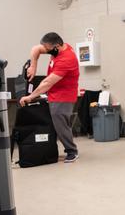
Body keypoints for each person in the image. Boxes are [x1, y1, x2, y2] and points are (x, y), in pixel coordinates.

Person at [20, 32, 80, 163]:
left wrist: (30, 97)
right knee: (55, 124)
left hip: (63, 96)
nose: (45, 51)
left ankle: (72, 151)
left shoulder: (67, 59)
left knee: (61, 125)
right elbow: (35, 49)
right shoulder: (58, 49)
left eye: (47, 49)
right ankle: (52, 149)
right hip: (54, 93)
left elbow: (47, 83)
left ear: (56, 46)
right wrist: (33, 66)